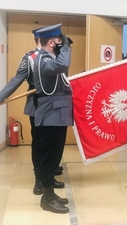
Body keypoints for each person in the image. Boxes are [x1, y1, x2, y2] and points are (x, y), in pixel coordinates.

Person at [0, 27, 63, 196]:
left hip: (55, 108)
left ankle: (48, 177)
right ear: (41, 39)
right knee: (39, 145)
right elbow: (17, 80)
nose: (58, 42)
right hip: (37, 107)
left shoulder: (56, 56)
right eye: (56, 39)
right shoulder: (31, 58)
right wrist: (0, 97)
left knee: (52, 145)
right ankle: (39, 180)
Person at [33, 23, 73, 214]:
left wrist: (64, 47)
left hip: (56, 115)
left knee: (54, 157)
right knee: (50, 159)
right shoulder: (43, 59)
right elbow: (63, 65)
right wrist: (66, 47)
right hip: (50, 115)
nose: (61, 41)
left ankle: (49, 196)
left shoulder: (49, 57)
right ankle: (48, 199)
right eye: (59, 39)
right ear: (51, 42)